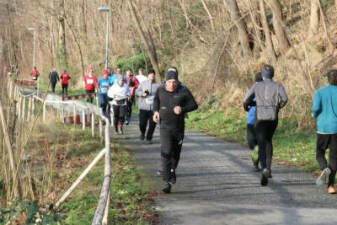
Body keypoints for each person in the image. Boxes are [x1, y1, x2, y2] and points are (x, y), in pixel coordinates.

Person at [153, 70, 198, 193]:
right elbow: (156, 100)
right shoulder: (160, 90)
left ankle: (172, 171)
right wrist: (156, 111)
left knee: (176, 154)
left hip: (178, 128)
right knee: (166, 151)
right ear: (165, 82)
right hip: (165, 127)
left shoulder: (183, 91)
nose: (172, 84)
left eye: (174, 82)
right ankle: (167, 181)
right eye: (169, 82)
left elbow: (194, 105)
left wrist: (182, 109)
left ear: (177, 82)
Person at [244, 64, 288, 186]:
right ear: (272, 75)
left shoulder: (257, 86)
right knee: (269, 141)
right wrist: (278, 107)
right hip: (273, 118)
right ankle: (268, 167)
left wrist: (247, 107)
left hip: (260, 118)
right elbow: (285, 99)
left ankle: (263, 168)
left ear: (262, 75)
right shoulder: (278, 85)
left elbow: (246, 100)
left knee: (261, 142)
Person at [312, 69, 337, 194]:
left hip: (323, 128)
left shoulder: (320, 92)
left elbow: (316, 108)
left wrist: (314, 114)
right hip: (336, 129)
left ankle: (324, 167)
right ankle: (331, 186)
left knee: (319, 153)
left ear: (328, 79)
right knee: (334, 157)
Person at [136, 69, 160, 144]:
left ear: (154, 76)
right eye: (150, 75)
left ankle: (149, 138)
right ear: (148, 76)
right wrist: (142, 94)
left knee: (152, 124)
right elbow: (137, 91)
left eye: (153, 75)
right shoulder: (143, 83)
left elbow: (160, 95)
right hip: (143, 107)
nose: (152, 76)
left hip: (153, 108)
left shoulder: (158, 85)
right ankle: (142, 133)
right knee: (142, 124)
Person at [246, 72, 263, 171]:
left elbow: (245, 102)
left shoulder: (251, 89)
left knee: (252, 143)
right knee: (261, 142)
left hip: (252, 119)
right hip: (264, 119)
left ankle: (256, 159)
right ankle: (258, 163)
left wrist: (247, 108)